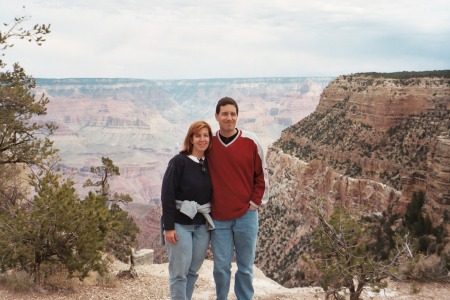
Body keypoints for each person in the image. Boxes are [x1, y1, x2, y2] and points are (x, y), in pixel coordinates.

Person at [207, 97, 269, 300]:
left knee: (245, 266)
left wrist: (254, 204)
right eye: (224, 113)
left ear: (237, 116)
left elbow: (262, 176)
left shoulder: (250, 142)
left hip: (246, 216)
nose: (229, 118)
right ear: (217, 116)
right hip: (219, 217)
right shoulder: (209, 144)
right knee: (221, 267)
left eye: (233, 114)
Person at [161, 120, 215, 300]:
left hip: (201, 225)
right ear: (190, 139)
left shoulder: (210, 163)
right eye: (198, 135)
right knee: (179, 273)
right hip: (179, 224)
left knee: (193, 271)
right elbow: (167, 194)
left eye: (206, 135)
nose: (202, 139)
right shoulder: (179, 162)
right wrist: (168, 227)